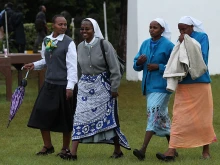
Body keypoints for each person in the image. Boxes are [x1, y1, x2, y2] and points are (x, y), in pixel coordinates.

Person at [60, 18, 130, 161]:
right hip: (85, 87)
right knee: (79, 117)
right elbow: (78, 69)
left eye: (88, 29)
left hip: (103, 87)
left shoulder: (104, 45)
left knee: (110, 118)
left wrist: (114, 87)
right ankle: (73, 153)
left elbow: (114, 68)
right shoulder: (79, 47)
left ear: (94, 30)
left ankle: (117, 150)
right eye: (82, 29)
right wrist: (76, 86)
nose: (84, 31)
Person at [156, 16, 217, 162]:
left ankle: (206, 151)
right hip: (183, 84)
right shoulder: (180, 40)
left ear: (192, 27)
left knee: (203, 118)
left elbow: (202, 59)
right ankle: (171, 151)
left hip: (200, 84)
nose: (182, 32)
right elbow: (176, 59)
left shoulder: (202, 37)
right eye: (180, 29)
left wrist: (187, 42)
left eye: (184, 29)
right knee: (178, 117)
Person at [23, 14, 77, 156]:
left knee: (65, 118)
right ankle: (48, 146)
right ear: (53, 25)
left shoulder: (69, 42)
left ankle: (65, 148)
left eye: (65, 24)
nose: (63, 27)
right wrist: (34, 65)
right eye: (60, 24)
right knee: (41, 112)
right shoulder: (48, 40)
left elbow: (72, 67)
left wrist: (70, 87)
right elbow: (46, 60)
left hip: (64, 85)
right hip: (49, 84)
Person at [132, 18, 175, 160]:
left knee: (152, 113)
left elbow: (175, 66)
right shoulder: (145, 44)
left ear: (162, 29)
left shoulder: (169, 46)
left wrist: (159, 67)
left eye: (155, 27)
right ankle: (172, 149)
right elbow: (135, 64)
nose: (151, 30)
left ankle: (143, 150)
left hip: (162, 87)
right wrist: (139, 62)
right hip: (149, 86)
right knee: (162, 116)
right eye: (150, 27)